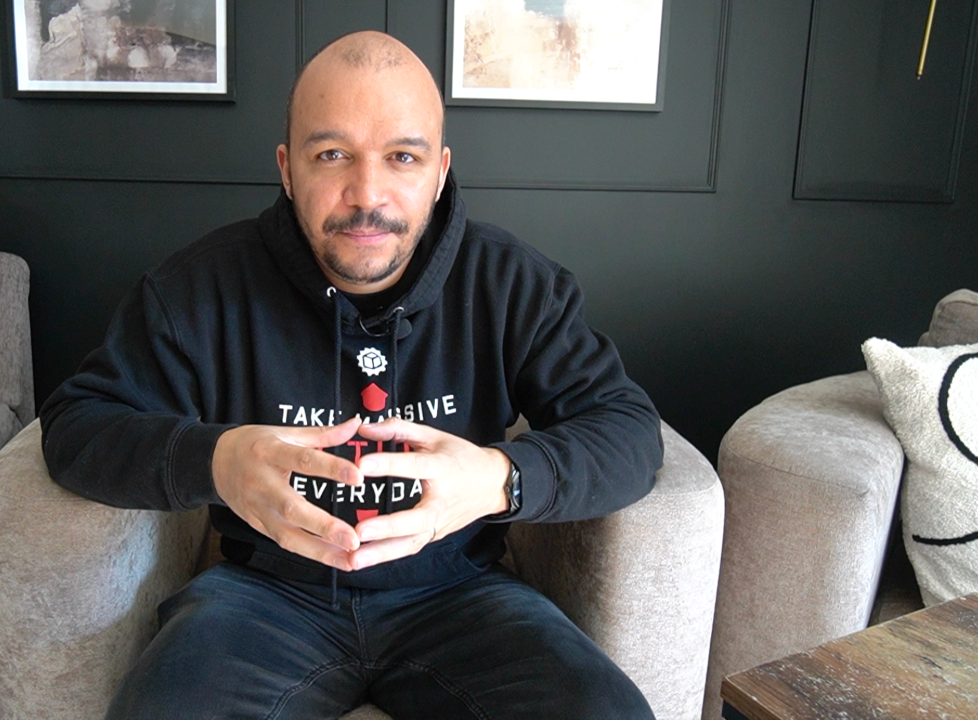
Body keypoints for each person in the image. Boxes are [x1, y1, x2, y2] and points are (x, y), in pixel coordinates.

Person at [40, 30, 664, 719]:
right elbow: (76, 426)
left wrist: (500, 479)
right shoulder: (199, 288)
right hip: (264, 598)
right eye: (332, 154)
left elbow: (628, 430)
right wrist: (216, 461)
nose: (367, 194)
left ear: (439, 172)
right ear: (287, 168)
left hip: (462, 597)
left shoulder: (512, 283)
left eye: (403, 157)